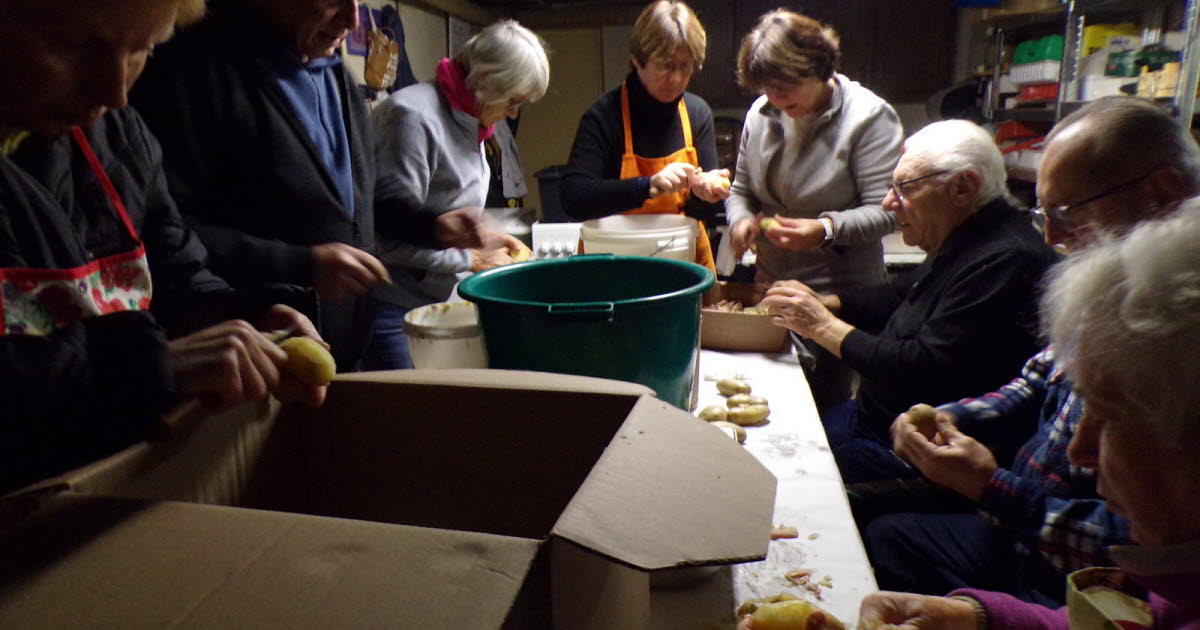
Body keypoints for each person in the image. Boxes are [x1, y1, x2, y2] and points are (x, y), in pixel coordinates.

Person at [866, 96, 1200, 602]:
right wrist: (954, 416)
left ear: (1162, 192)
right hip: (1017, 518)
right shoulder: (1110, 282)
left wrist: (991, 488)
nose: (1051, 236)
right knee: (887, 535)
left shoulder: (1178, 329)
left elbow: (1141, 548)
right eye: (1044, 213)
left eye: (1067, 212)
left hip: (1074, 576)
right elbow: (1037, 380)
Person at [0, 0, 329, 494]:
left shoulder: (121, 139)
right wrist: (155, 371)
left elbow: (175, 274)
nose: (114, 93)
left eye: (143, 50)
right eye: (75, 46)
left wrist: (246, 318)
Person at [130, 0, 490, 372]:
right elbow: (165, 229)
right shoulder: (192, 71)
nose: (352, 19)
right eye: (332, 1)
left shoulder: (336, 74)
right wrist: (300, 264)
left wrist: (430, 226)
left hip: (343, 347)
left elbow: (362, 200)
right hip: (260, 355)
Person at [760, 120, 1058, 484]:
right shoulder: (967, 235)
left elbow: (922, 366)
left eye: (904, 188)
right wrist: (826, 303)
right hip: (869, 419)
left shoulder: (1006, 260)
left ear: (963, 187)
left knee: (782, 475)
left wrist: (819, 325)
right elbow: (900, 293)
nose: (888, 203)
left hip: (904, 452)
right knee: (783, 427)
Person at [726, 9, 903, 409]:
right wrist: (740, 220)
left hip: (838, 298)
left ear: (818, 68)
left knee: (827, 408)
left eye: (785, 87)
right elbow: (740, 190)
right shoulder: (762, 113)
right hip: (772, 290)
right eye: (767, 88)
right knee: (769, 403)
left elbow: (888, 212)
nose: (775, 98)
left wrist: (825, 229)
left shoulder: (869, 118)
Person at [367, 20, 547, 369]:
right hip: (394, 310)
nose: (513, 113)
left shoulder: (471, 120)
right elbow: (385, 239)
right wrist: (472, 259)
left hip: (436, 301)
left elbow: (445, 208)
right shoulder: (412, 118)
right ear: (483, 81)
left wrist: (487, 238)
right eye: (512, 101)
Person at [561, 0, 728, 273]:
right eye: (666, 66)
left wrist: (705, 195)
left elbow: (706, 214)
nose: (676, 79)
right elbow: (574, 198)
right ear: (637, 59)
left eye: (685, 67)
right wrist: (647, 186)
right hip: (614, 266)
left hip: (683, 263)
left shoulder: (697, 113)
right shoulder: (604, 115)